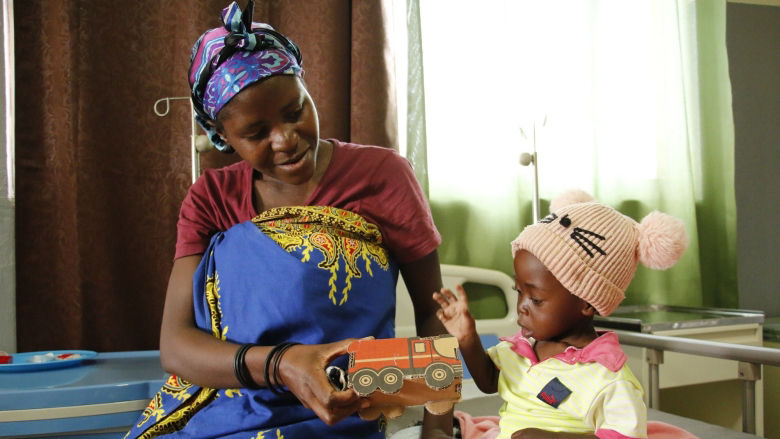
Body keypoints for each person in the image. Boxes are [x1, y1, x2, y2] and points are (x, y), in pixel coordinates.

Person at [125, 1, 451, 438]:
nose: (286, 140)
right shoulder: (211, 199)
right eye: (256, 133)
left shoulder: (382, 176)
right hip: (226, 410)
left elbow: (435, 313)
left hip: (343, 409)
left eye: (295, 111)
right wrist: (282, 364)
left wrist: (437, 428)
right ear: (222, 136)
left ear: (305, 87)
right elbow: (177, 347)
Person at [433, 191, 688, 439]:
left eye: (535, 299)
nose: (522, 306)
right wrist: (467, 338)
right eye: (519, 292)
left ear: (587, 302)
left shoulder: (607, 378)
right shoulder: (523, 348)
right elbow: (489, 381)